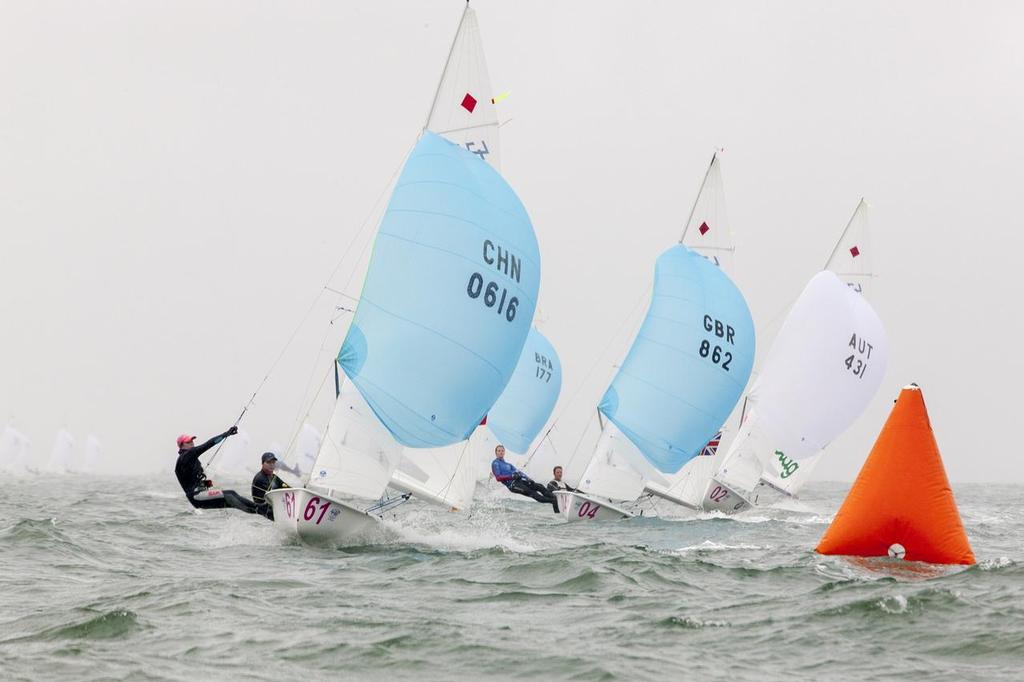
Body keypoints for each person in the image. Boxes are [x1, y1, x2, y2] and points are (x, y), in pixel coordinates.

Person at [174, 427, 258, 514]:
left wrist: (210, 484)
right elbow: (208, 444)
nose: (192, 443)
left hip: (199, 495)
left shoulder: (190, 458)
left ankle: (260, 511)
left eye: (192, 441)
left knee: (231, 496)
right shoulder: (186, 455)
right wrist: (226, 434)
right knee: (230, 494)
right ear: (181, 445)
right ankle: (259, 509)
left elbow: (193, 483)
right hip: (197, 496)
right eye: (188, 442)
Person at [491, 444, 558, 513]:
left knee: (539, 486)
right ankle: (553, 501)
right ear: (496, 452)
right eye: (499, 451)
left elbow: (519, 472)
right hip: (513, 485)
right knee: (533, 493)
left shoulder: (508, 464)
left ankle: (554, 497)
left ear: (504, 452)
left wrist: (528, 478)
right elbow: (498, 478)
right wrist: (511, 476)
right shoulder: (495, 463)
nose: (501, 452)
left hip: (519, 480)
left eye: (502, 451)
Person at [251, 452, 291, 520]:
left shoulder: (273, 477)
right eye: (268, 462)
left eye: (273, 462)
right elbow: (272, 498)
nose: (271, 465)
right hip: (263, 516)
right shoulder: (260, 478)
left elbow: (288, 488)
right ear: (263, 463)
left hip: (273, 512)